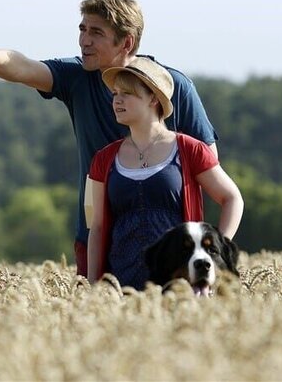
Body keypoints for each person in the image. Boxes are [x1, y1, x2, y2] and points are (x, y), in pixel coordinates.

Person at [0, 0, 218, 277]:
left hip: (172, 244)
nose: (84, 40)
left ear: (126, 42)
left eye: (96, 33)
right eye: (82, 29)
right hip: (97, 236)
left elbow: (208, 165)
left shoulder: (175, 86)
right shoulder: (77, 77)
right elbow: (23, 67)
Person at [87, 57, 242, 287]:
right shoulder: (103, 159)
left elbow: (232, 198)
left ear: (153, 98)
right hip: (121, 285)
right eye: (115, 93)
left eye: (126, 93)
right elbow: (96, 227)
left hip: (179, 285)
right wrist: (93, 285)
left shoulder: (190, 150)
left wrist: (217, 249)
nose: (117, 100)